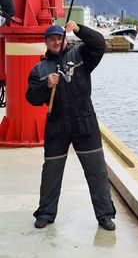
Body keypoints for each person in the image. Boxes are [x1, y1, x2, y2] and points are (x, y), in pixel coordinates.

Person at [26, 21, 116, 230]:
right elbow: (31, 97)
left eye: (60, 38)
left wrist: (79, 29)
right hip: (56, 126)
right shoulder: (40, 68)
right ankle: (46, 213)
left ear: (65, 39)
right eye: (52, 39)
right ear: (46, 43)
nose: (57, 42)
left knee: (97, 172)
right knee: (51, 172)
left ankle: (105, 216)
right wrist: (46, 84)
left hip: (85, 123)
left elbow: (99, 44)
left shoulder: (81, 55)